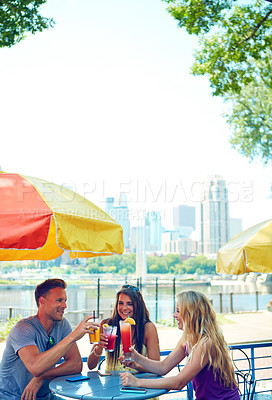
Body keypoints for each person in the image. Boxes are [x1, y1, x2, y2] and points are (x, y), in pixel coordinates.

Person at [120, 290, 240, 400]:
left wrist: (137, 382)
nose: (174, 315)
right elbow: (163, 367)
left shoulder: (206, 343)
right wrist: (136, 357)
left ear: (191, 313)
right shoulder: (188, 337)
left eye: (178, 310)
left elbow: (179, 382)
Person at [0, 278, 99, 400]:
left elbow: (76, 365)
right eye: (59, 300)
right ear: (42, 301)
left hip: (46, 396)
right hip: (14, 397)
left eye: (65, 301)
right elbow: (36, 367)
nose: (65, 305)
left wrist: (41, 377)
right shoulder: (23, 328)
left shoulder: (62, 325)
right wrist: (73, 336)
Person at [87, 284, 160, 373]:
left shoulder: (147, 328)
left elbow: (157, 367)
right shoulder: (107, 325)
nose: (124, 308)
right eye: (120, 303)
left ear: (138, 306)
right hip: (110, 383)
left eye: (130, 304)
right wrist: (99, 347)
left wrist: (135, 366)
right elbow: (90, 366)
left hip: (138, 383)